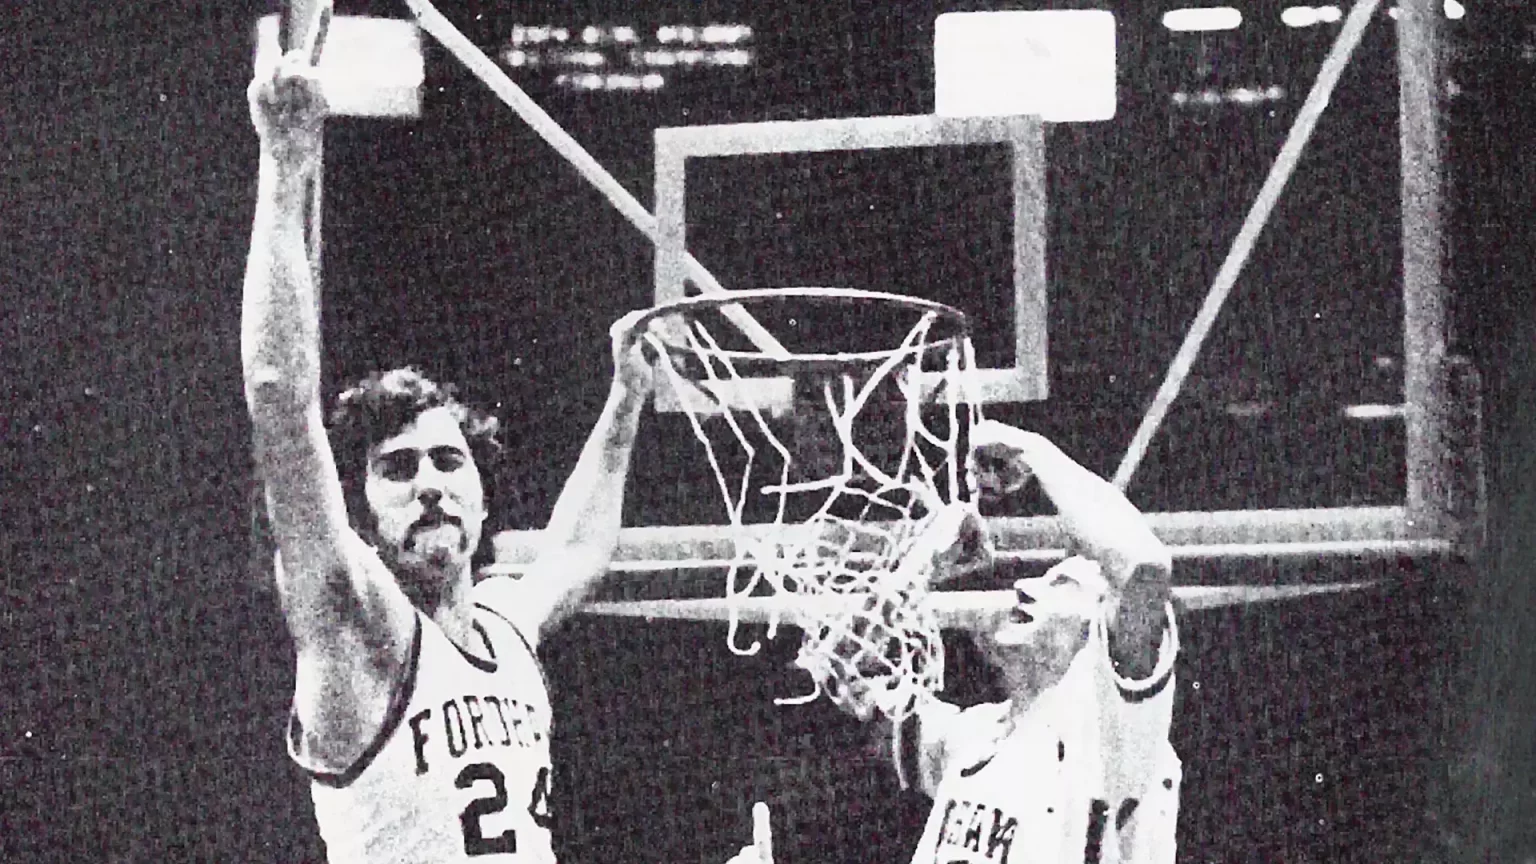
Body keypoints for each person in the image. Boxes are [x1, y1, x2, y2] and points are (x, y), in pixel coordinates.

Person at [243, 30, 672, 864]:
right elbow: (277, 399)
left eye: (449, 462)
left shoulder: (507, 626)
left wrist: (625, 399)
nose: (430, 485)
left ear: (481, 495)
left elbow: (578, 547)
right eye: (396, 469)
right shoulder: (358, 628)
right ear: (361, 511)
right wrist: (285, 165)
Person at [840, 419, 1182, 864]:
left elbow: (1144, 564)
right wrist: (919, 568)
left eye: (1061, 585)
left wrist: (1032, 451)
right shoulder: (971, 735)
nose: (1026, 587)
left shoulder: (1112, 734)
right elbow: (846, 675)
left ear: (1099, 637)